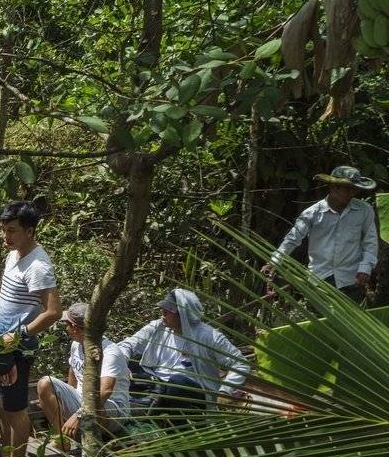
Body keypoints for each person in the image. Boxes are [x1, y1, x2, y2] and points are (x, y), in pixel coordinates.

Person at [0, 199, 62, 457]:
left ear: (30, 231)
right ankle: (7, 455)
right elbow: (7, 304)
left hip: (15, 349)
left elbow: (53, 312)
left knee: (15, 410)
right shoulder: (13, 255)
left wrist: (17, 336)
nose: (6, 236)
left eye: (12, 231)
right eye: (4, 230)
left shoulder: (38, 266)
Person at [116, 288, 248, 413]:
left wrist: (225, 391)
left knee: (177, 382)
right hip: (156, 382)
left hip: (189, 391)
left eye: (167, 311)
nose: (163, 315)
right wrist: (121, 363)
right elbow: (129, 344)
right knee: (123, 363)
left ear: (182, 315)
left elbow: (240, 364)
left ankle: (158, 407)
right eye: (162, 310)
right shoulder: (158, 327)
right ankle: (148, 401)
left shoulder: (209, 336)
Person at [269, 165, 378, 302]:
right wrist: (274, 262)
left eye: (354, 189)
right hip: (320, 280)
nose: (352, 194)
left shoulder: (364, 210)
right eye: (348, 189)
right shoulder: (312, 213)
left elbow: (370, 241)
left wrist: (365, 267)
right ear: (333, 187)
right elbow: (292, 239)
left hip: (352, 279)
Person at [37, 302, 132, 444]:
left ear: (74, 327)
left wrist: (79, 414)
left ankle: (94, 440)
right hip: (83, 400)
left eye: (67, 324)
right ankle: (62, 440)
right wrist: (67, 400)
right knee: (44, 383)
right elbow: (73, 371)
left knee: (97, 409)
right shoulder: (76, 344)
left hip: (112, 408)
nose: (66, 328)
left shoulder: (110, 352)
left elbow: (105, 391)